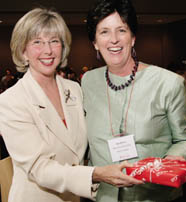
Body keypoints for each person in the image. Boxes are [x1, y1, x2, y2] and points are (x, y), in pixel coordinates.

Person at [0, 7, 143, 202]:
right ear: (23, 51)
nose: (48, 50)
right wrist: (97, 174)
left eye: (54, 41)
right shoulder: (11, 101)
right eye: (37, 42)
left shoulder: (74, 89)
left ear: (63, 46)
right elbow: (39, 169)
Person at [81, 0, 186, 202]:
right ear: (95, 42)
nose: (113, 39)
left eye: (121, 30)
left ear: (132, 38)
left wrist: (170, 162)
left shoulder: (168, 83)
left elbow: (185, 139)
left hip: (153, 195)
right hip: (103, 196)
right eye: (104, 32)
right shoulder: (88, 82)